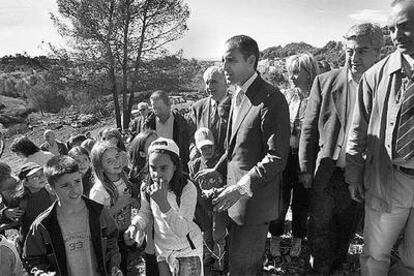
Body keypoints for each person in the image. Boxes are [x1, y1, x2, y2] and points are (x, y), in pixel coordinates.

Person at [196, 35, 290, 275]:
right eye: (222, 60)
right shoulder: (237, 95)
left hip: (253, 205)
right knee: (233, 265)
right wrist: (217, 170)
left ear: (251, 60)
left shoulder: (272, 98)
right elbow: (234, 149)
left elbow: (277, 157)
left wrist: (239, 188)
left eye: (230, 60)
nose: (224, 67)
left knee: (244, 269)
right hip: (232, 200)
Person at [298, 23, 384, 274]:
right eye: (349, 51)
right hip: (327, 171)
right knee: (319, 229)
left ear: (378, 53)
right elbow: (309, 128)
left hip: (358, 177)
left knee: (345, 230)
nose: (354, 58)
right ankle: (318, 269)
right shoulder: (324, 82)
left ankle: (335, 267)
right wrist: (305, 167)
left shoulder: (383, 87)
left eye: (362, 51)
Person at [345, 1, 414, 275]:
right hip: (389, 179)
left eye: (405, 27)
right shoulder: (375, 76)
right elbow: (357, 132)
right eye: (392, 29)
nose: (397, 36)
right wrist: (353, 175)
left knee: (411, 260)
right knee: (375, 256)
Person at [23, 155, 122, 276]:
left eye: (77, 181)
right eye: (65, 185)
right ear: (51, 189)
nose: (74, 190)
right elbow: (33, 259)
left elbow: (112, 240)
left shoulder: (98, 212)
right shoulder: (43, 225)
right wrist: (42, 273)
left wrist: (113, 265)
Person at [125, 137, 203, 276]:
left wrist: (163, 204)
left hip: (187, 250)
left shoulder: (187, 188)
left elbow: (182, 230)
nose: (157, 174)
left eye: (163, 168)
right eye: (153, 168)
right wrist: (135, 226)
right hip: (162, 250)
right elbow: (145, 212)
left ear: (175, 165)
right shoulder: (147, 186)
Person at [269, 52, 319, 260]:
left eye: (297, 72)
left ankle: (298, 237)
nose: (292, 76)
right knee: (280, 200)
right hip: (285, 156)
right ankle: (276, 236)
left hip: (305, 157)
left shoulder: (318, 97)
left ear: (309, 73)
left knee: (301, 202)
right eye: (290, 72)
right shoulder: (285, 95)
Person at [89, 141, 139, 274]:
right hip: (111, 240)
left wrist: (132, 201)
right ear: (100, 167)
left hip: (125, 231)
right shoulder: (99, 190)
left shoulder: (122, 179)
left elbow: (127, 201)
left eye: (117, 157)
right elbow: (96, 221)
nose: (116, 162)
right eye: (109, 161)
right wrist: (119, 205)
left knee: (127, 264)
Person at [189, 128, 226, 271]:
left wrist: (216, 191)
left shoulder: (221, 162)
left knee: (219, 232)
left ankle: (219, 258)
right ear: (198, 149)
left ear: (214, 145)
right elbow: (192, 185)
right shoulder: (195, 164)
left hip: (219, 205)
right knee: (206, 231)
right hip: (203, 205)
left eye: (209, 146)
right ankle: (207, 254)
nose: (207, 150)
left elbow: (228, 182)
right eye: (203, 148)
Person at [127, 129, 159, 276]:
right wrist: (135, 225)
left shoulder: (174, 173)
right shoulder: (143, 183)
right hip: (153, 238)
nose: (159, 145)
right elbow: (145, 211)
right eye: (153, 144)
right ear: (142, 154)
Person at [190, 66, 230, 160]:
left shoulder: (236, 106)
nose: (209, 87)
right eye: (207, 83)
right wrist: (193, 148)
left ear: (226, 83)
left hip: (228, 167)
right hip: (205, 166)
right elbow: (191, 136)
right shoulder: (197, 107)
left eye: (214, 82)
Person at [143, 90, 191, 169]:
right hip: (155, 168)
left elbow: (186, 148)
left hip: (177, 167)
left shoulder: (181, 123)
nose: (157, 111)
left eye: (160, 108)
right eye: (154, 108)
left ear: (169, 105)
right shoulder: (148, 125)